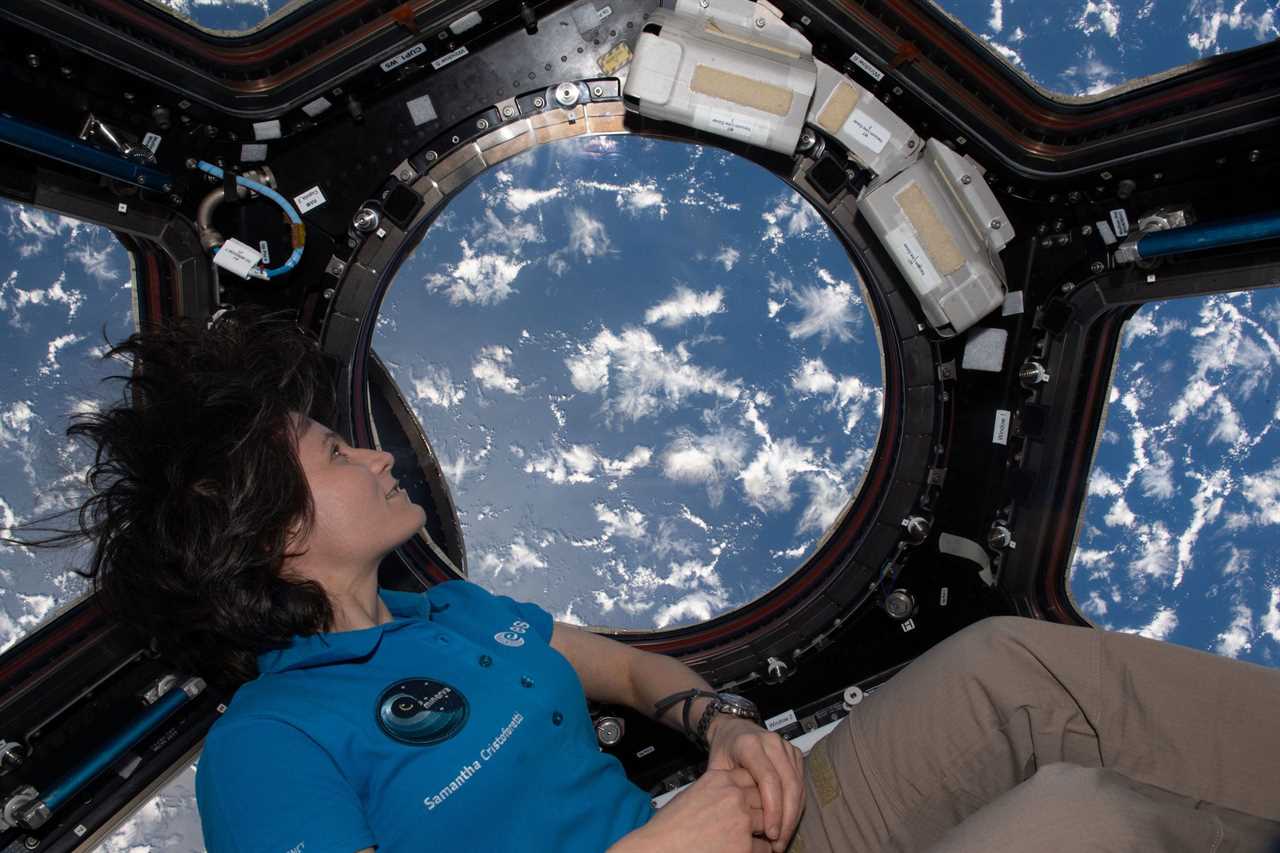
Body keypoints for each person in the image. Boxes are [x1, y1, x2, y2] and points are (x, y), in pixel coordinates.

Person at [16, 308, 1280, 852]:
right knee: (1081, 826)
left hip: (747, 834)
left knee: (1012, 669)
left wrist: (723, 723)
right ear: (270, 529)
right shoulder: (269, 741)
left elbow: (617, 667)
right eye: (333, 449)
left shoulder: (448, 616)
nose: (377, 449)